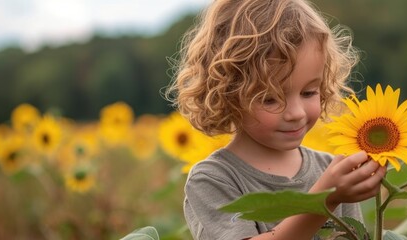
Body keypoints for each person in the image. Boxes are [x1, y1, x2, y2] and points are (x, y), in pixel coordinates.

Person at [165, 0, 386, 239]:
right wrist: (323, 200)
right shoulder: (213, 179)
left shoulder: (330, 170)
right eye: (270, 99)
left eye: (309, 92)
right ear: (228, 94)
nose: (297, 113)